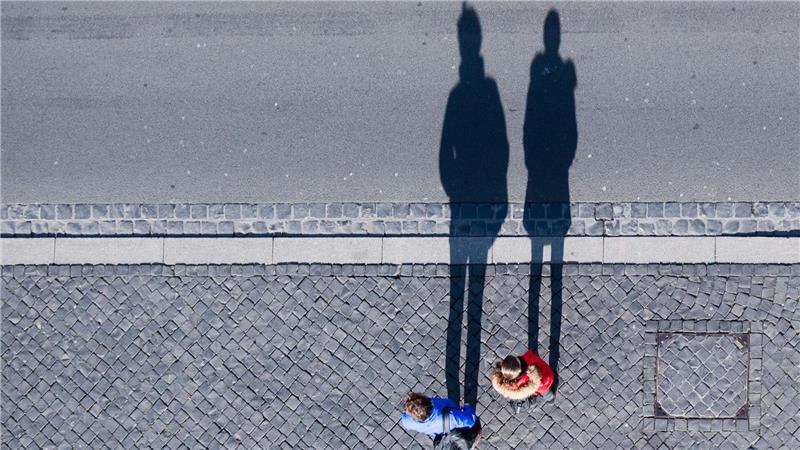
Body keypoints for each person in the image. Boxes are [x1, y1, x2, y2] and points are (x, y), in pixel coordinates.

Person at [400, 392, 478, 437]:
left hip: (438, 432)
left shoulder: (406, 421)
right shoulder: (451, 417)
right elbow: (470, 420)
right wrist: (468, 408)